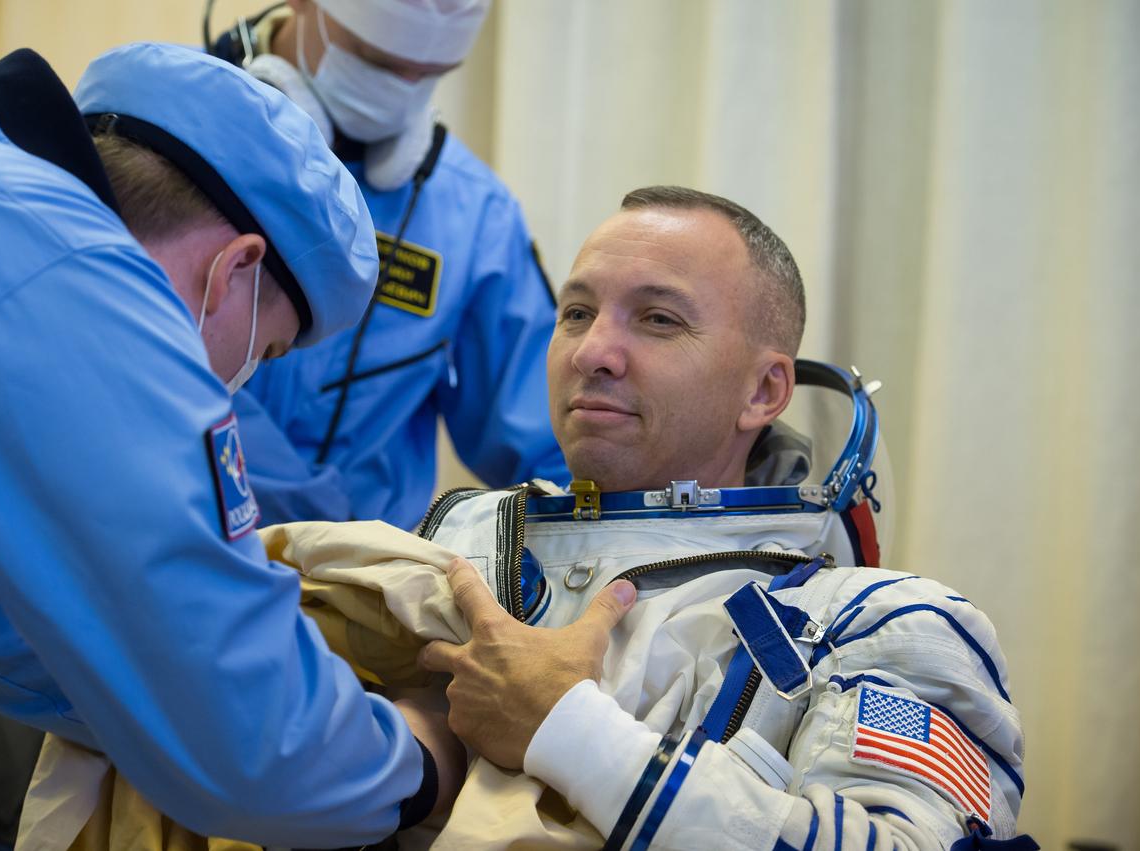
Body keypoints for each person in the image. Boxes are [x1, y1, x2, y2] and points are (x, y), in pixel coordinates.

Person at [0, 41, 466, 848]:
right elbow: (249, 739)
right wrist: (420, 762)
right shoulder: (73, 282)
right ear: (236, 269)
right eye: (262, 354)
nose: (242, 381)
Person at [415, 187, 1033, 848]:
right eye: (576, 311)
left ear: (762, 390)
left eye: (657, 319)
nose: (590, 352)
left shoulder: (882, 623)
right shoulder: (453, 544)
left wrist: (572, 731)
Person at [208, 0, 568, 529]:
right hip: (166, 540)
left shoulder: (474, 217)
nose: (401, 89)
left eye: (429, 75)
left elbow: (546, 442)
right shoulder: (157, 132)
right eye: (375, 61)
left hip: (357, 586)